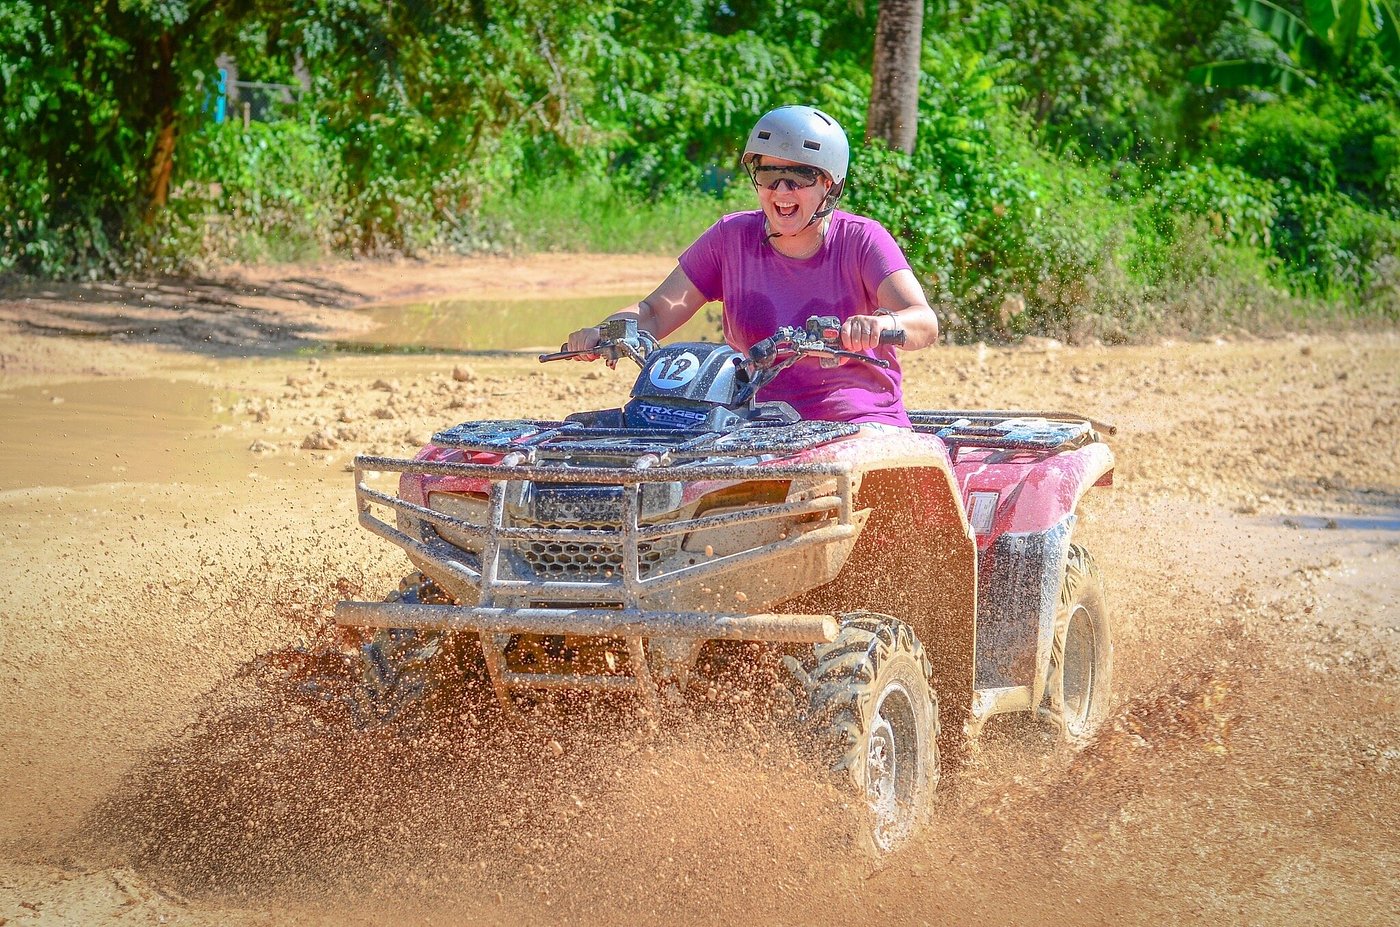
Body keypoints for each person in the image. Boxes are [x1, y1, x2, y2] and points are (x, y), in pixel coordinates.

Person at [566, 104, 938, 427]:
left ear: (829, 184)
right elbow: (656, 310)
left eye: (800, 176)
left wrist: (881, 325)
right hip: (752, 421)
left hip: (856, 420)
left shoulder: (861, 240)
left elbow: (923, 321)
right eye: (768, 174)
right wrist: (605, 332)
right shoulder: (731, 237)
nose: (781, 190)